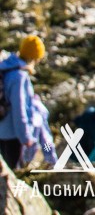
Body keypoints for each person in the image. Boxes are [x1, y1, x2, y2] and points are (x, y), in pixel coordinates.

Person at [0, 35, 57, 170]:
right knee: (13, 175)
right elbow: (19, 109)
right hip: (13, 135)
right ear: (35, 57)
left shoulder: (6, 68)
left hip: (2, 130)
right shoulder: (19, 76)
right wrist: (25, 137)